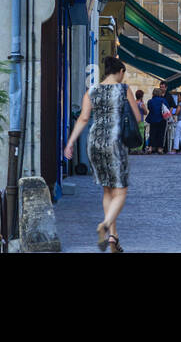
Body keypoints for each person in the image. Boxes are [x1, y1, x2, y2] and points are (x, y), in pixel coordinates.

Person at [64, 56, 142, 252]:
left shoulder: (91, 91)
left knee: (107, 190)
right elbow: (138, 118)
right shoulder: (124, 90)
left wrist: (70, 143)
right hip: (116, 143)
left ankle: (113, 239)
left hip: (95, 142)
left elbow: (83, 118)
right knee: (121, 190)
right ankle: (105, 225)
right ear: (121, 72)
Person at [145, 87, 170, 154]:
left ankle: (150, 148)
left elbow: (149, 108)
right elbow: (167, 108)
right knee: (161, 134)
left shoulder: (150, 101)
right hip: (162, 119)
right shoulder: (163, 100)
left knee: (152, 133)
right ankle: (160, 148)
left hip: (152, 119)